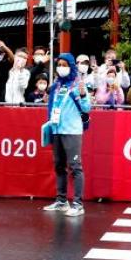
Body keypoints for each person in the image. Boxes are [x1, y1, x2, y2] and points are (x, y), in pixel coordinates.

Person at [42, 54, 90, 218]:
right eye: (59, 64)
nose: (61, 67)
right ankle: (62, 201)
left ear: (71, 66)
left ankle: (78, 204)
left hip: (72, 131)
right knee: (59, 166)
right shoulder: (55, 85)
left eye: (64, 64)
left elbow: (87, 108)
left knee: (75, 167)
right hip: (57, 130)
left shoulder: (78, 85)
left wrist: (83, 95)